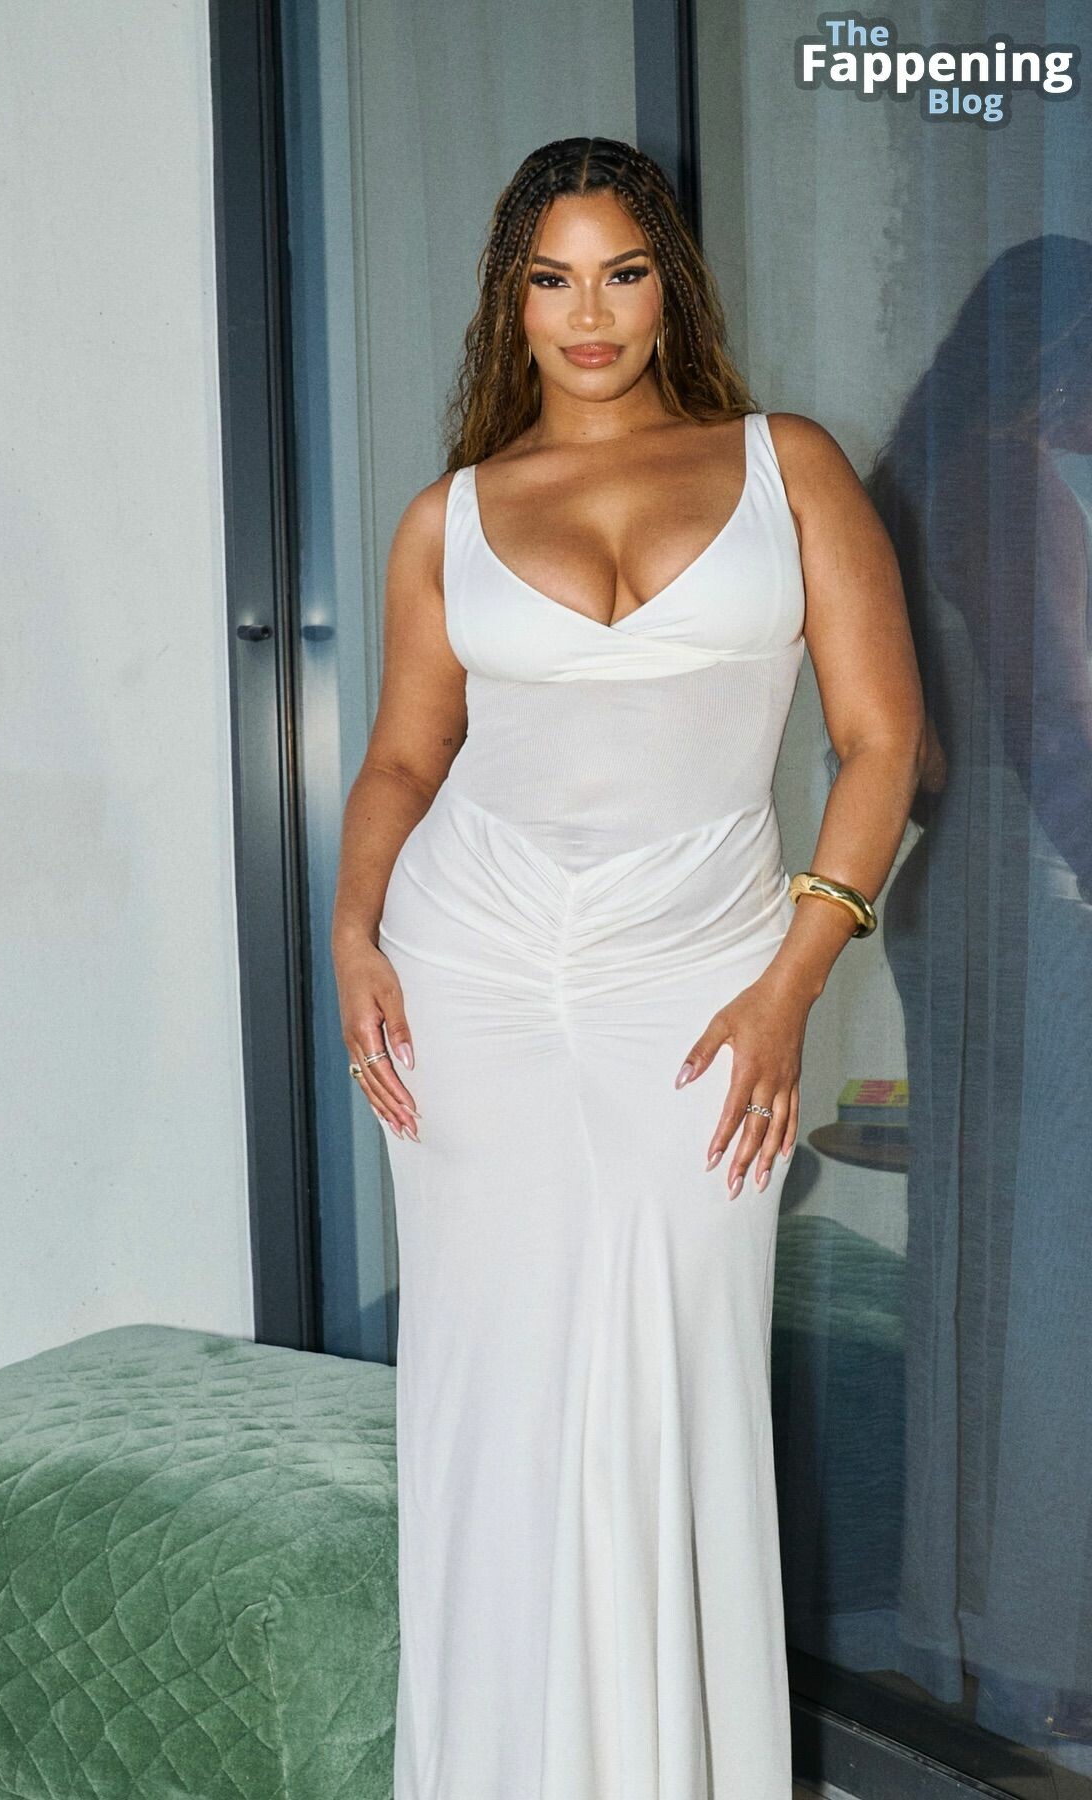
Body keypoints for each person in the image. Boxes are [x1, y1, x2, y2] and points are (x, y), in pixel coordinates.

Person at [330, 135, 924, 1800]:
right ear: (509, 302)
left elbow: (882, 743)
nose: (588, 315)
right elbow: (401, 762)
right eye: (552, 279)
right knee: (492, 1393)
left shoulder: (786, 466)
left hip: (706, 982)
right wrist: (353, 933)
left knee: (681, 1382)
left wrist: (792, 983)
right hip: (469, 972)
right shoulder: (449, 517)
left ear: (672, 284)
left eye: (622, 272)